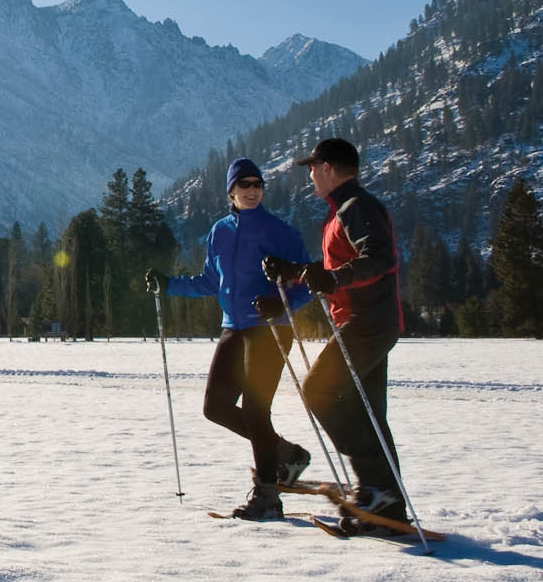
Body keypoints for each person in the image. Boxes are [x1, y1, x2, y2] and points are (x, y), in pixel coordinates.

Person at [145, 157, 313, 521]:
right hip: (232, 326)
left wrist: (280, 301)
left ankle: (268, 495)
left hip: (271, 328)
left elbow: (308, 283)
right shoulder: (219, 232)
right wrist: (168, 284)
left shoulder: (281, 232)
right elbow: (210, 281)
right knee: (214, 407)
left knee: (255, 411)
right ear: (231, 192)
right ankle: (285, 453)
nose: (252, 190)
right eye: (245, 185)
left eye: (257, 184)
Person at [262, 137, 407, 533]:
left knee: (319, 390)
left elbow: (378, 259)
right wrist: (294, 273)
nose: (309, 175)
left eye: (312, 168)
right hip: (368, 320)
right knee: (369, 411)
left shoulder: (355, 207)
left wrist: (333, 277)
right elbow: (334, 271)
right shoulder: (343, 209)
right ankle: (386, 503)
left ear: (328, 167)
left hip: (366, 322)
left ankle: (376, 487)